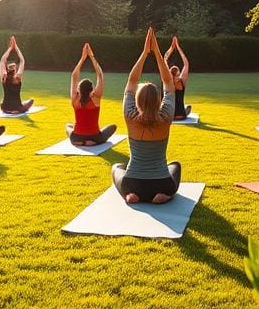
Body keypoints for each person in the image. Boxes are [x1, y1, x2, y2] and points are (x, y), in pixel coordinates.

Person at [111, 27, 181, 204]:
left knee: (116, 167)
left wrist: (144, 53)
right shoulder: (165, 116)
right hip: (162, 183)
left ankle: (131, 195)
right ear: (158, 100)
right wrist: (157, 53)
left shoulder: (130, 115)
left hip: (132, 183)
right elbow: (168, 84)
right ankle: (163, 196)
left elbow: (131, 82)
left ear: (138, 101)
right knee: (175, 166)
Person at [66, 42, 117, 146]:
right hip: (95, 137)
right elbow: (100, 75)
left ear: (79, 89)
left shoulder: (75, 99)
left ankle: (81, 141)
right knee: (113, 127)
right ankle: (91, 141)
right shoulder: (96, 98)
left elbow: (74, 76)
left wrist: (82, 58)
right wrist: (91, 56)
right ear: (91, 90)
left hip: (76, 137)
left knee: (68, 126)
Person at [0, 35, 34, 114]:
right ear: (15, 70)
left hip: (5, 108)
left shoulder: (4, 77)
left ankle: (13, 107)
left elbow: (2, 61)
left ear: (8, 69)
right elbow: (22, 61)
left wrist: (10, 48)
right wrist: (16, 47)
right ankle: (20, 106)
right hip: (18, 108)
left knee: (1, 102)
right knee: (31, 101)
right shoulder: (18, 78)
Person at [163, 36, 192, 119]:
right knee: (188, 107)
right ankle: (186, 111)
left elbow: (164, 59)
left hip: (169, 115)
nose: (179, 76)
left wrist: (171, 48)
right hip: (181, 115)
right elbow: (186, 64)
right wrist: (178, 48)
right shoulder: (181, 82)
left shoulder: (168, 82)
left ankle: (186, 110)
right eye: (178, 73)